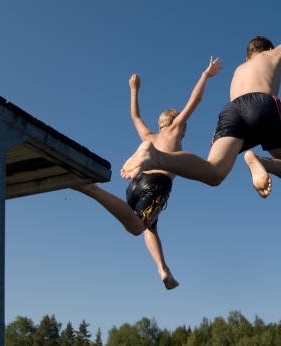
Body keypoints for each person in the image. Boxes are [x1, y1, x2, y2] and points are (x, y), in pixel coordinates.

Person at [121, 3, 281, 198]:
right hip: (261, 104)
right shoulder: (274, 53)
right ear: (267, 49)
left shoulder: (239, 69)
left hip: (231, 111)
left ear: (248, 55)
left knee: (214, 173)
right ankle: (261, 161)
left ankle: (155, 157)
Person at [73, 57, 223, 289]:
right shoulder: (174, 130)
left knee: (150, 226)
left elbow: (135, 117)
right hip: (157, 184)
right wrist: (205, 75)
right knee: (137, 227)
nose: (184, 132)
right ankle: (90, 188)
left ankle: (163, 269)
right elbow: (195, 100)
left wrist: (134, 90)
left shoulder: (150, 136)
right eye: (184, 128)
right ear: (176, 124)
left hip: (136, 185)